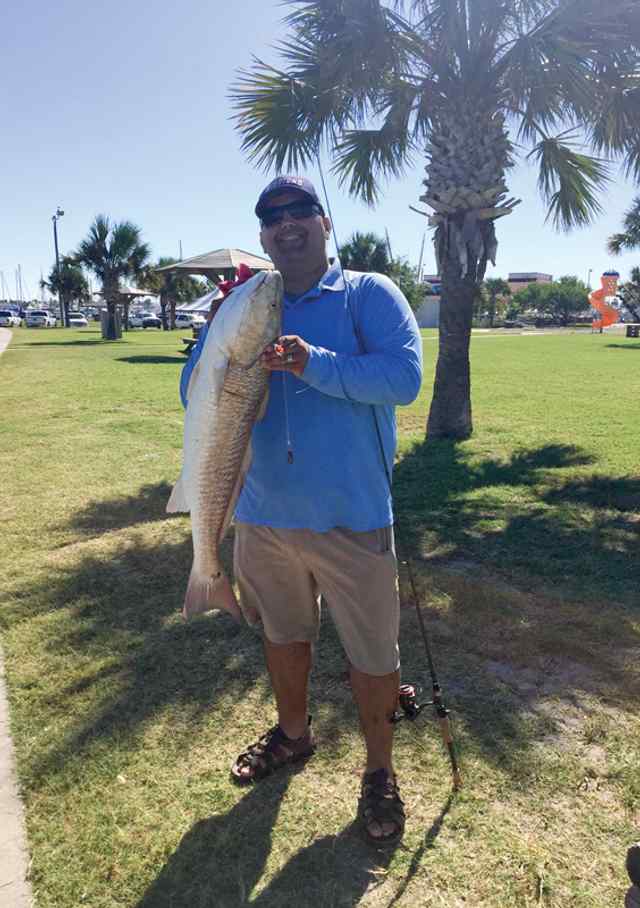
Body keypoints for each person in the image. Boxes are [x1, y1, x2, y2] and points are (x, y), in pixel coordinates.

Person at [180, 175, 423, 846]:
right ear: (263, 236)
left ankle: (379, 771)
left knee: (373, 653)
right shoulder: (248, 302)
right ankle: (293, 733)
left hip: (354, 516)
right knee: (284, 636)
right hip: (264, 517)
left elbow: (403, 379)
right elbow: (194, 391)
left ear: (324, 222)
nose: (286, 223)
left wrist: (313, 362)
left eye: (299, 211)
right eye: (272, 217)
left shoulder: (368, 294)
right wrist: (215, 333)